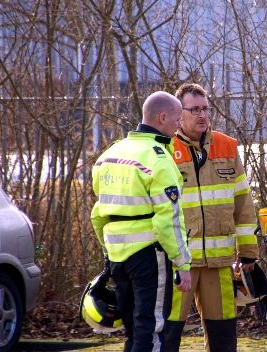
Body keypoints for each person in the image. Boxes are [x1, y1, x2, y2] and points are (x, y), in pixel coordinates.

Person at [90, 91, 192, 352]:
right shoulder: (159, 160)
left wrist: (108, 253)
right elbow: (167, 221)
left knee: (133, 331)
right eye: (178, 118)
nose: (180, 125)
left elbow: (98, 213)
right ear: (162, 117)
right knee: (152, 330)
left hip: (117, 256)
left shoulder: (109, 155)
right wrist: (183, 262)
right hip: (149, 256)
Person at [162, 83, 259, 352]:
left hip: (219, 262)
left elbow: (243, 202)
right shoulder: (164, 150)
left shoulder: (227, 147)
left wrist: (248, 250)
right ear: (178, 113)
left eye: (205, 108)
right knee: (167, 333)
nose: (202, 115)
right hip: (179, 262)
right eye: (194, 109)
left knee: (223, 336)